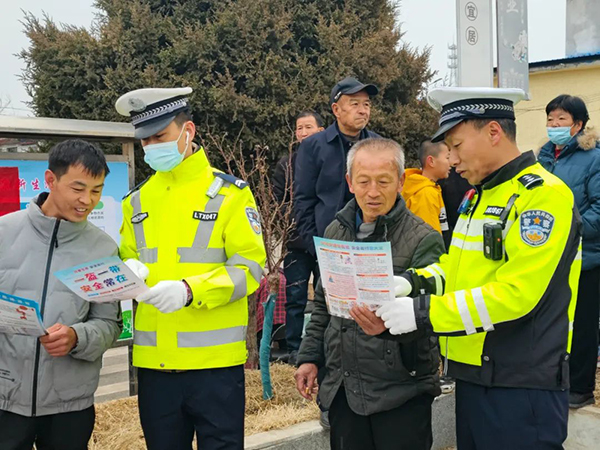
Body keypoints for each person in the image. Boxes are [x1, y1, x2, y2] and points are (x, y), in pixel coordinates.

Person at [370, 87, 582, 449]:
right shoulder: (478, 195)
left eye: (456, 146)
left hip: (520, 383)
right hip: (474, 376)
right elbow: (456, 269)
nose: (451, 160)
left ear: (494, 132)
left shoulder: (542, 196)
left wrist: (422, 313)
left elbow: (517, 294)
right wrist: (410, 283)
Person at [115, 87, 266, 450]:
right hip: (155, 366)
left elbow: (250, 268)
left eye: (160, 136)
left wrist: (189, 290)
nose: (152, 147)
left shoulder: (230, 194)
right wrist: (126, 270)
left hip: (215, 367)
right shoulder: (135, 201)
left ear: (188, 131)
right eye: (146, 140)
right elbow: (124, 259)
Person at [294, 138, 445, 450]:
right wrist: (309, 358)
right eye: (363, 181)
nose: (373, 192)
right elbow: (323, 303)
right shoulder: (336, 231)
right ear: (350, 182)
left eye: (383, 181)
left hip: (402, 391)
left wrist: (388, 327)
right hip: (344, 388)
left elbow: (431, 314)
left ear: (400, 182)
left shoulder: (423, 238)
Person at [0, 140, 123, 450]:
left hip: (70, 405)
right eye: (78, 188)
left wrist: (77, 337)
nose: (87, 200)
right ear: (50, 180)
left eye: (96, 191)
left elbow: (109, 324)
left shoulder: (104, 249)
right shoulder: (3, 232)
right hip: (5, 398)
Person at [538, 94, 600, 409]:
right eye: (550, 119)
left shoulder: (594, 158)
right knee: (554, 321)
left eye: (561, 119)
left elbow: (598, 208)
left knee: (584, 324)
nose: (554, 125)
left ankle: (581, 386)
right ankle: (554, 378)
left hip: (586, 257)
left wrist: (571, 229)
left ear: (578, 124)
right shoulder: (543, 159)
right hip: (552, 256)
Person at [294, 77, 380, 257]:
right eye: (355, 104)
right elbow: (303, 201)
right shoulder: (313, 146)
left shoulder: (378, 145)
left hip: (373, 246)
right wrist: (317, 247)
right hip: (329, 246)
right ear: (336, 110)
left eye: (366, 104)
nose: (363, 110)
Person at [272, 111, 324, 365]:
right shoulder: (286, 164)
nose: (303, 132)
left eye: (308, 127)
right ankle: (294, 348)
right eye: (299, 128)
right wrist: (297, 222)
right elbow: (278, 200)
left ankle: (326, 346)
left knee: (327, 297)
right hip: (296, 241)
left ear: (321, 131)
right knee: (295, 297)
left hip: (326, 240)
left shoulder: (330, 160)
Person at [402, 140, 451, 237]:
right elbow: (429, 238)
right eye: (447, 158)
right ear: (431, 161)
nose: (451, 163)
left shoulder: (426, 187)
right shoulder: (426, 193)